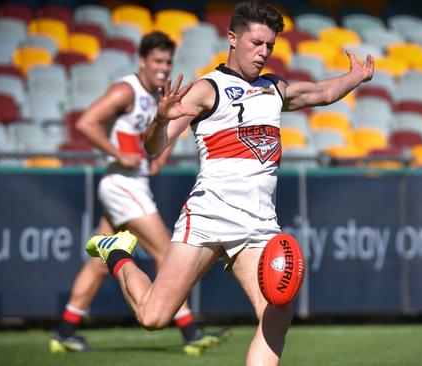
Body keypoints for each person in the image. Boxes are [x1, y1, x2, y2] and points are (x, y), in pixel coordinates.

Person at [85, 1, 375, 364]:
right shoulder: (208, 88)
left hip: (258, 225)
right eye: (256, 43)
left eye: (269, 45)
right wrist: (160, 121)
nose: (263, 52)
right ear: (233, 38)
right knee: (153, 317)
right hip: (209, 216)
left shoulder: (274, 88)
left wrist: (357, 77)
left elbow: (322, 92)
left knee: (277, 311)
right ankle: (116, 251)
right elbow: (154, 145)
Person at [49, 31, 229, 356]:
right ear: (143, 61)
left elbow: (154, 136)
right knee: (165, 252)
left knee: (100, 265)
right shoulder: (125, 89)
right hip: (121, 183)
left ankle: (63, 332)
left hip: (133, 183)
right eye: (157, 61)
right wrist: (117, 154)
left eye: (168, 62)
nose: (163, 67)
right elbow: (86, 123)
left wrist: (156, 156)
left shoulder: (157, 96)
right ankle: (190, 333)